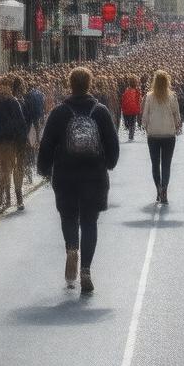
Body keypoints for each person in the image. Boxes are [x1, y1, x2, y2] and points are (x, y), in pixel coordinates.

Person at [36, 67, 120, 294]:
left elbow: (46, 144)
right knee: (90, 222)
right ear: (90, 84)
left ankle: (72, 248)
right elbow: (112, 144)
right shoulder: (100, 112)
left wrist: (43, 168)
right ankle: (86, 270)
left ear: (69, 84)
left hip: (65, 176)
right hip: (94, 176)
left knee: (68, 217)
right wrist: (109, 163)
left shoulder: (59, 112)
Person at [141, 69, 182, 205]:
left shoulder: (149, 96)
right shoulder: (172, 96)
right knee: (166, 163)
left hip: (153, 134)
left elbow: (145, 115)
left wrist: (145, 126)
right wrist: (177, 126)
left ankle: (158, 187)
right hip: (169, 134)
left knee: (155, 163)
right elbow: (176, 114)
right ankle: (164, 188)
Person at [0, 77, 28, 210]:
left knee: (10, 169)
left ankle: (12, 198)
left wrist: (21, 141)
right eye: (2, 86)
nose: (4, 89)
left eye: (6, 86)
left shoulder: (8, 102)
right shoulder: (4, 102)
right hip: (6, 142)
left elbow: (21, 123)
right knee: (9, 170)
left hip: (9, 142)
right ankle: (11, 198)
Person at [121, 77, 142, 141]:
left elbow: (123, 100)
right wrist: (139, 108)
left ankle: (130, 132)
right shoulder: (137, 91)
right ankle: (131, 136)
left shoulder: (126, 91)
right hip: (134, 109)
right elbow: (139, 100)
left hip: (127, 110)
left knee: (129, 122)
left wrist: (123, 109)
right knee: (133, 122)